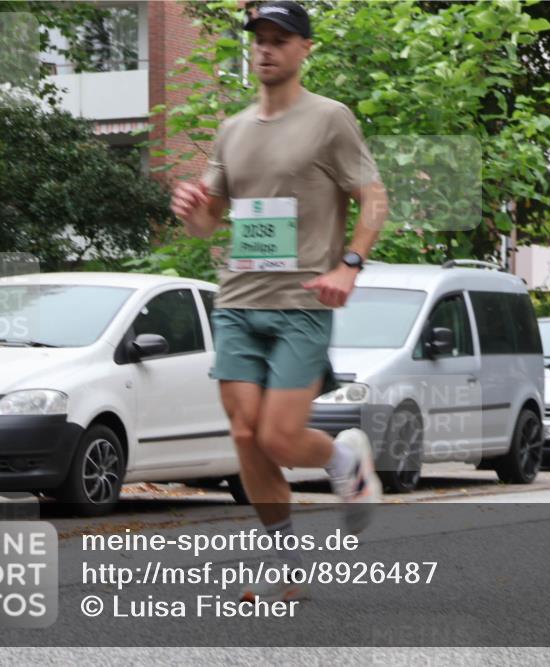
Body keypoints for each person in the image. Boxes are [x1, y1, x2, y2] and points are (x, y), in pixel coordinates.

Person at [170, 0, 390, 601]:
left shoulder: (330, 119)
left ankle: (344, 461)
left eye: (280, 39)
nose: (265, 48)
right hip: (239, 300)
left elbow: (373, 198)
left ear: (304, 49)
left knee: (277, 437)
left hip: (303, 303)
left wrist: (349, 264)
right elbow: (210, 222)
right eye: (260, 39)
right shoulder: (233, 129)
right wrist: (194, 211)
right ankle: (288, 570)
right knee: (244, 435)